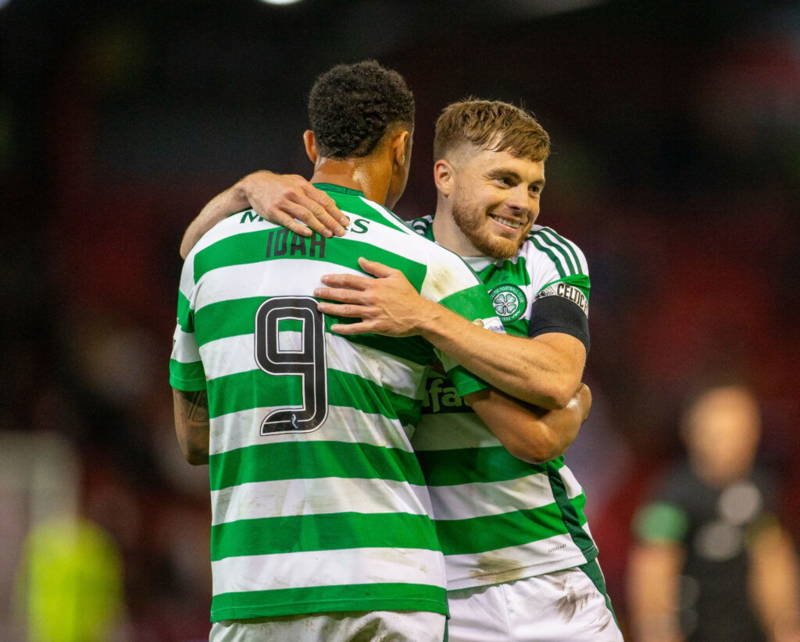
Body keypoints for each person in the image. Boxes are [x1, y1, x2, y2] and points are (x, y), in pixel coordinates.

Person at [170, 62, 590, 642]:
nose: (523, 202)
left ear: (312, 145)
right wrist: (577, 405)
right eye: (504, 180)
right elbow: (536, 432)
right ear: (407, 152)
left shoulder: (210, 258)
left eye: (534, 187)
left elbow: (194, 438)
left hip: (251, 585)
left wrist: (246, 189)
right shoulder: (417, 265)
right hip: (391, 577)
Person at [628, 380, 800, 642]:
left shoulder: (761, 490)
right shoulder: (672, 496)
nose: (730, 442)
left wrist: (786, 627)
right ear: (692, 431)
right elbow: (653, 569)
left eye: (739, 429)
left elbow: (772, 562)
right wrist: (658, 630)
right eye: (718, 430)